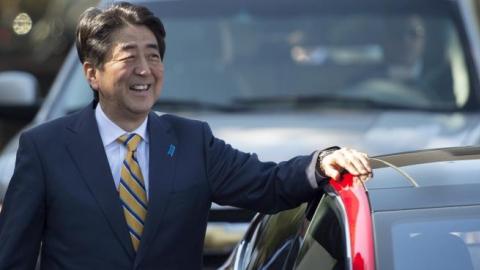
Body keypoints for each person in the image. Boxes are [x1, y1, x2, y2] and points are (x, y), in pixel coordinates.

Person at [0, 2, 371, 269]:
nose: (145, 69)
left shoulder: (192, 141)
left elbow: (269, 184)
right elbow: (13, 256)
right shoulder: (45, 148)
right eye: (129, 56)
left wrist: (321, 163)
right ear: (92, 73)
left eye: (154, 56)